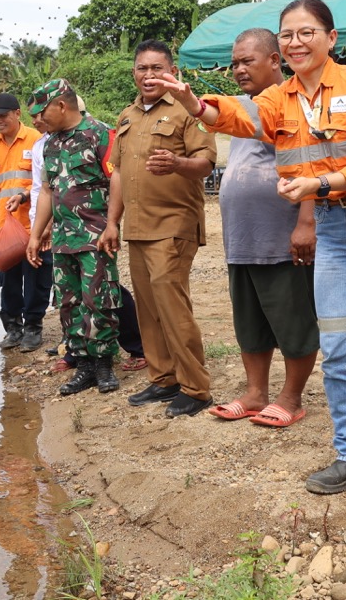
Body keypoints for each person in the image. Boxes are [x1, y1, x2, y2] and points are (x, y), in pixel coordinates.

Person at [157, 0, 346, 504]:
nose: (295, 42)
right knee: (338, 348)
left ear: (331, 39)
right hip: (335, 228)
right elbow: (239, 117)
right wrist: (194, 103)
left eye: (306, 32)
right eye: (287, 34)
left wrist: (320, 184)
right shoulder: (278, 98)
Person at [98, 40, 218, 418]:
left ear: (172, 72)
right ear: (133, 73)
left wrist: (178, 163)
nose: (149, 75)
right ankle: (164, 378)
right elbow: (117, 172)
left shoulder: (188, 109)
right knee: (148, 309)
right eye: (142, 68)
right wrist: (111, 222)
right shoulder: (127, 115)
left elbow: (206, 164)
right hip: (137, 227)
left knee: (172, 306)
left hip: (173, 224)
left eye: (157, 68)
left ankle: (196, 388)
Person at [207, 28, 319, 428]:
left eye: (246, 61)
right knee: (249, 320)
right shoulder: (239, 106)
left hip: (281, 235)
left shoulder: (294, 104)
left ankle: (291, 397)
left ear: (275, 60)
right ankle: (255, 393)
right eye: (234, 62)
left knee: (292, 317)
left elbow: (312, 166)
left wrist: (306, 222)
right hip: (241, 238)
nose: (238, 69)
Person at [25, 79, 121, 394]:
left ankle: (104, 364)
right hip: (64, 238)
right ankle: (84, 366)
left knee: (99, 301)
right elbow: (47, 192)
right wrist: (36, 235)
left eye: (40, 113)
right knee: (69, 303)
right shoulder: (50, 144)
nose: (36, 121)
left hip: (95, 236)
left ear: (61, 106)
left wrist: (113, 224)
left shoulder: (100, 134)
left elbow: (117, 180)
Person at [0, 92, 51, 351]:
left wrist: (26, 199)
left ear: (17, 114)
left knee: (36, 278)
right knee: (8, 279)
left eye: (3, 115)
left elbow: (44, 185)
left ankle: (33, 327)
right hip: (6, 227)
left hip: (34, 225)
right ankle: (12, 328)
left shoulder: (37, 140)